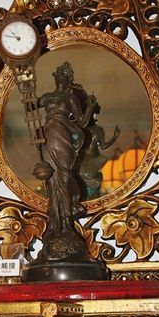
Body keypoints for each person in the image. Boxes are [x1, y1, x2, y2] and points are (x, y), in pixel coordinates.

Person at [36, 61, 96, 245]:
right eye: (59, 75)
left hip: (63, 135)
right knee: (52, 180)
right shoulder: (46, 97)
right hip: (48, 136)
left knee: (64, 177)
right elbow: (29, 106)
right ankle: (54, 224)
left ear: (68, 79)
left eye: (65, 75)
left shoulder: (70, 97)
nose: (61, 78)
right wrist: (25, 85)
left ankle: (68, 224)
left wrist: (90, 107)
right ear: (56, 78)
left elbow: (82, 122)